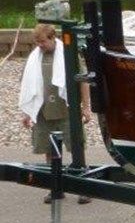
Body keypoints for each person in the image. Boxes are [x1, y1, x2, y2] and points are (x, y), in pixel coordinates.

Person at [18, 23, 92, 204]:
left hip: (67, 111)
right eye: (37, 42)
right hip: (44, 113)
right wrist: (27, 113)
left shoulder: (69, 54)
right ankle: (56, 188)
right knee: (50, 152)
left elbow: (83, 81)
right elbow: (28, 86)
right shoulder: (34, 58)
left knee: (76, 149)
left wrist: (85, 107)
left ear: (52, 38)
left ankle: (84, 188)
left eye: (42, 41)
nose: (39, 45)